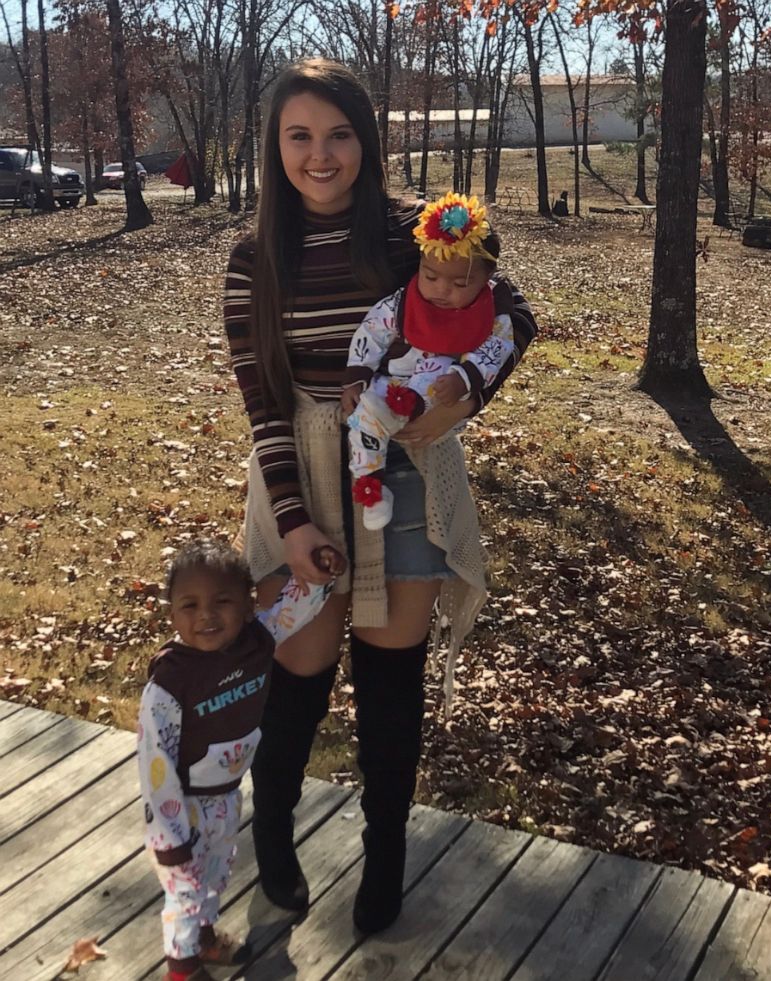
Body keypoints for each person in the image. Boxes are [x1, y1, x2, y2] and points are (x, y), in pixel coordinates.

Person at [222, 58, 538, 935]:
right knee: (302, 671)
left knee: (391, 680)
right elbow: (260, 398)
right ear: (275, 147)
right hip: (303, 474)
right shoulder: (254, 258)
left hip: (409, 474)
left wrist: (469, 392)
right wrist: (290, 523)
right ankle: (276, 840)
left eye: (338, 134)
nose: (321, 155)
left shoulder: (415, 234)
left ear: (365, 138)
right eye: (299, 136)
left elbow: (515, 314)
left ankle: (386, 856)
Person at [137, 539, 343, 981]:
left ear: (248, 605)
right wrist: (171, 839)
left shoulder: (257, 642)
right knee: (184, 895)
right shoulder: (171, 683)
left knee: (212, 880)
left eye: (222, 602)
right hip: (179, 810)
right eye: (189, 605)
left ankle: (204, 939)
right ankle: (182, 968)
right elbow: (156, 767)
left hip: (225, 798)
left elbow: (295, 607)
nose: (206, 616)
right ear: (171, 613)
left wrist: (321, 574)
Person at [341, 191, 514, 530]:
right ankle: (371, 487)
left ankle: (409, 407)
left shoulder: (490, 307)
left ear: (486, 278)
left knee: (439, 376)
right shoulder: (406, 303)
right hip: (392, 383)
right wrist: (357, 374)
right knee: (364, 420)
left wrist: (467, 378)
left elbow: (499, 344)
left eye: (460, 283)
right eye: (430, 276)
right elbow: (373, 330)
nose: (441, 290)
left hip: (441, 398)